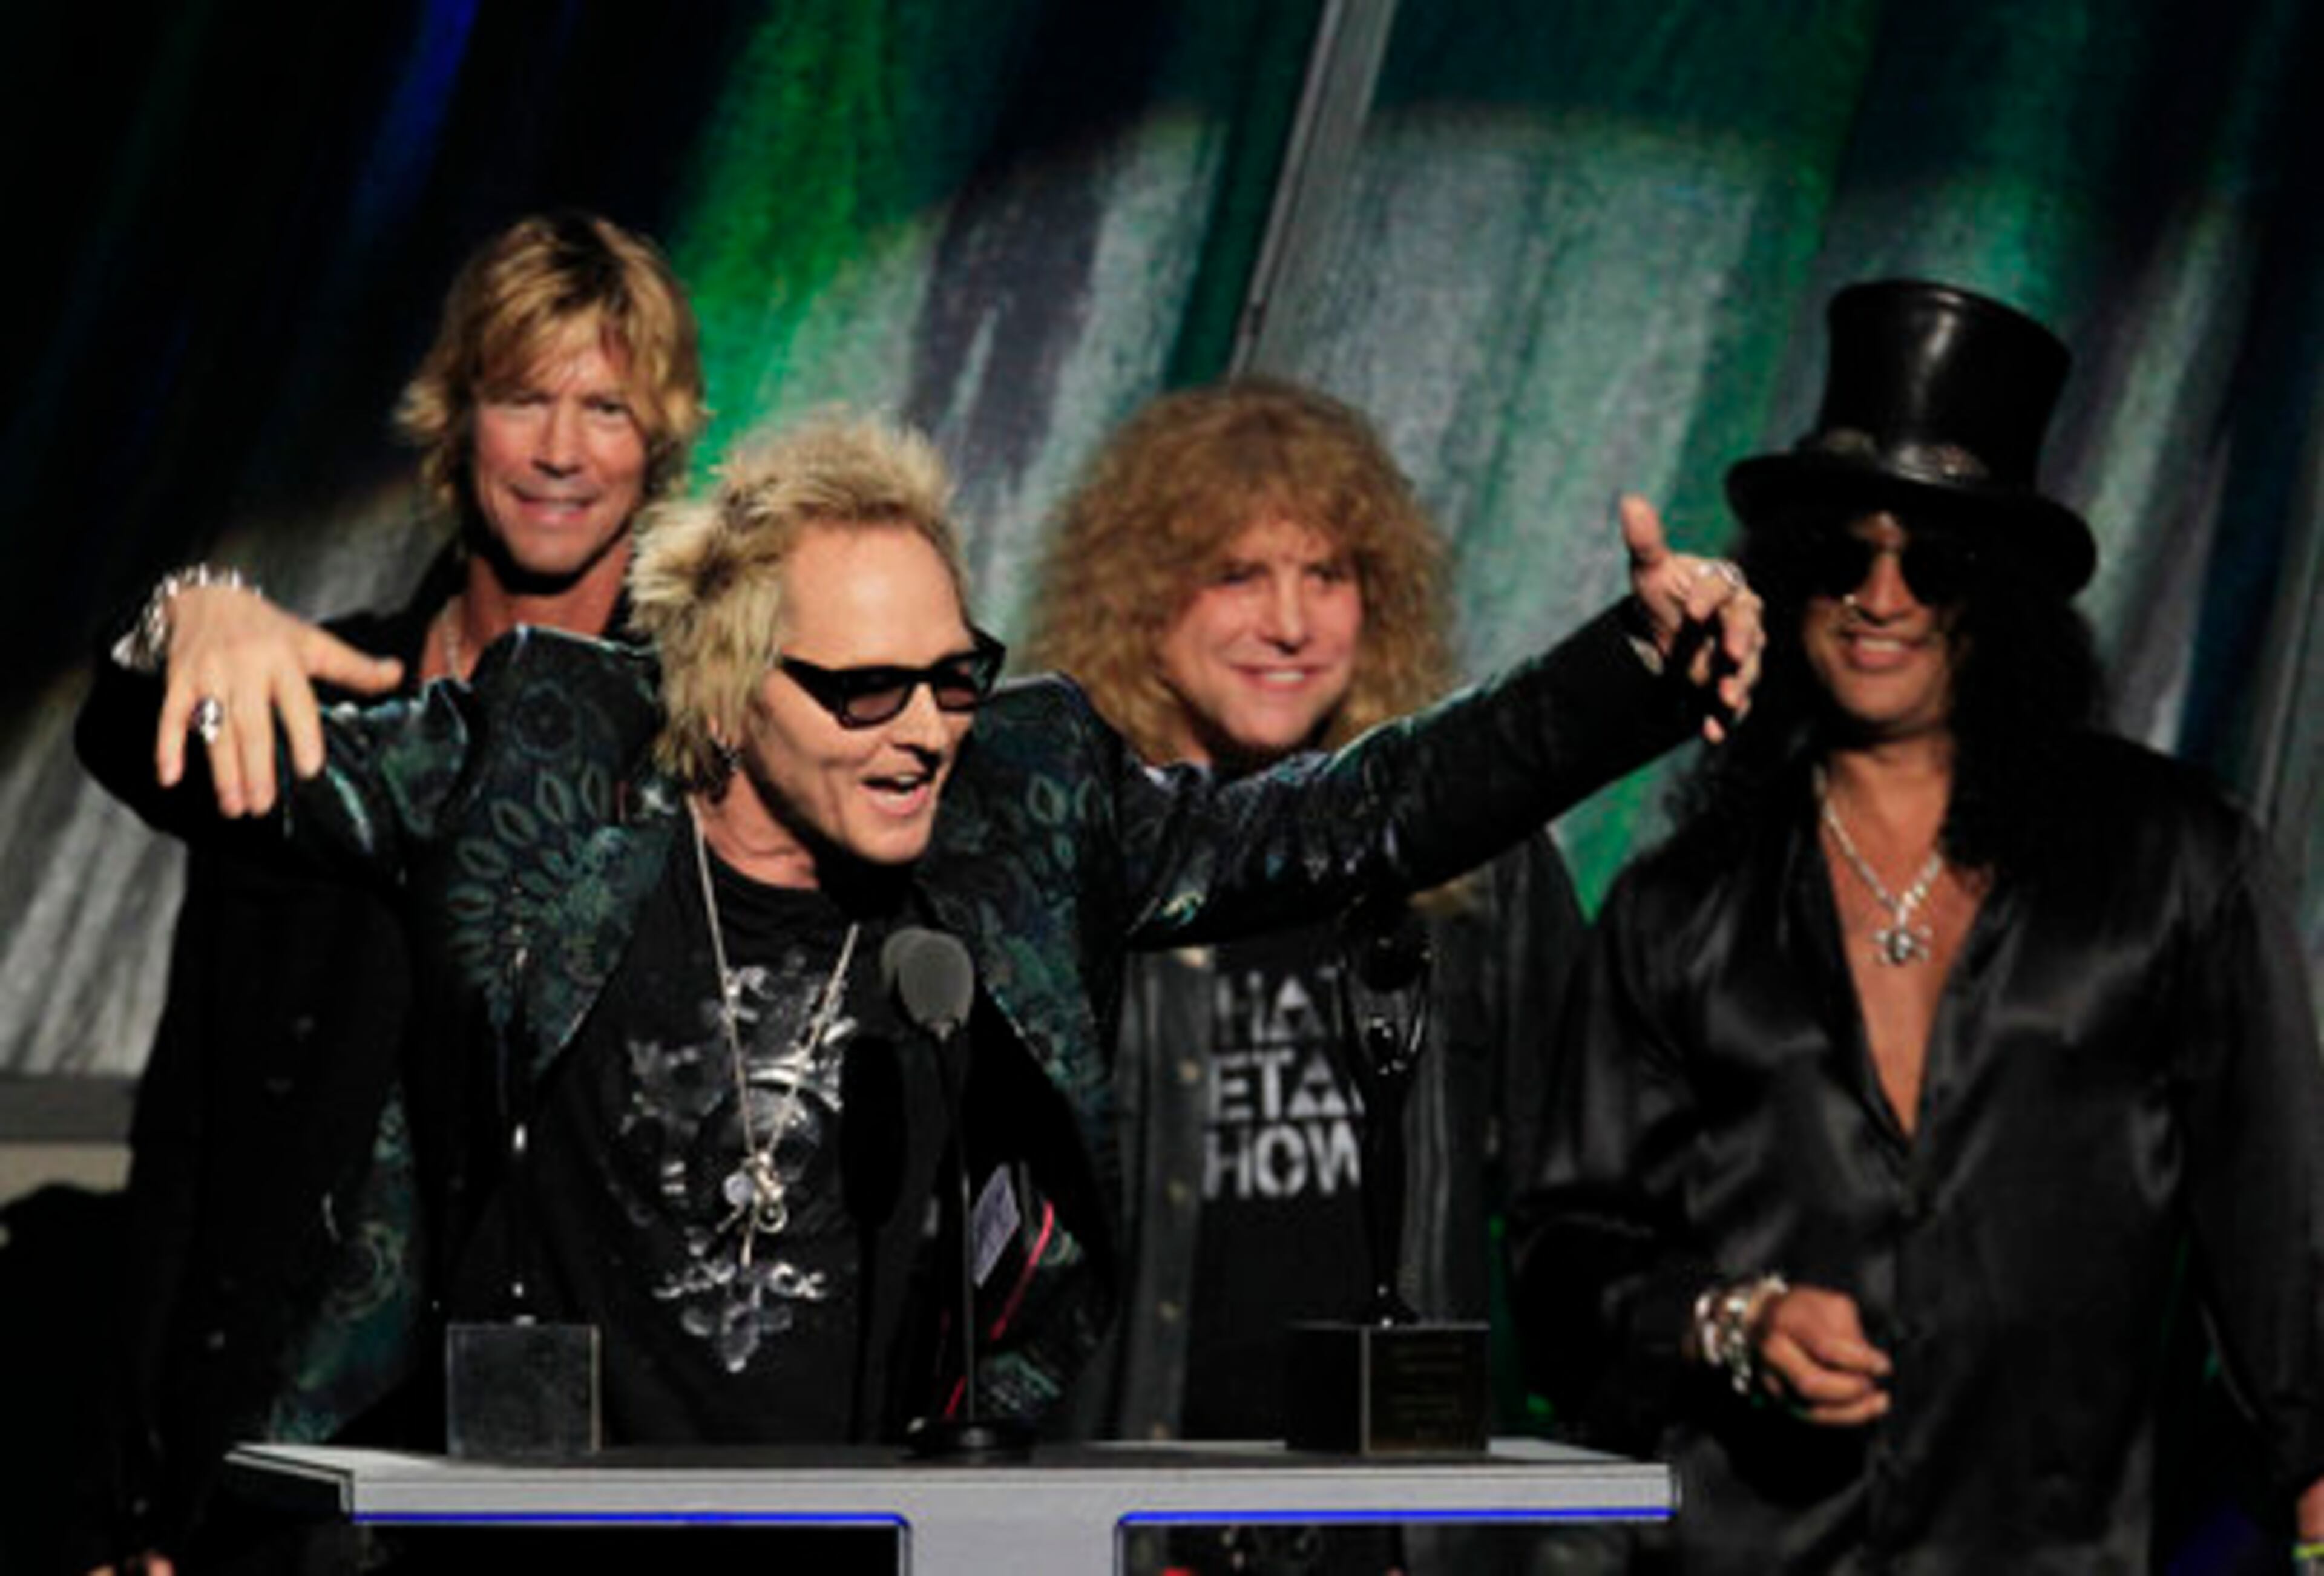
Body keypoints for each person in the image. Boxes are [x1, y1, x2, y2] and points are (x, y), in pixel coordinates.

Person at [77, 409, 1759, 1472]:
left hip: (879, 1527)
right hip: (532, 1525)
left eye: (953, 676)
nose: (923, 731)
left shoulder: (1024, 809)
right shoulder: (541, 761)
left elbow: (1354, 814)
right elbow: (192, 762)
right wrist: (178, 630)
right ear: (730, 689)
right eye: (863, 689)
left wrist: (1629, 672)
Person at [1510, 279, 2324, 1572]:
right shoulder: (1681, 907)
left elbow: (2279, 1218)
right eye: (1843, 555)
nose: (1880, 597)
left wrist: (2310, 1459)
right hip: (1745, 1551)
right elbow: (1558, 1264)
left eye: (1930, 562)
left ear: (1993, 597)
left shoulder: (2175, 860)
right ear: (1789, 580)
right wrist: (1731, 1322)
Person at [73, 211, 705, 1576]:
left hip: (555, 1475)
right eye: (521, 395)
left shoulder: (686, 749)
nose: (558, 449)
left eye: (605, 406)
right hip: (264, 1465)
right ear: (456, 417)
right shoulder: (315, 710)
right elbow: (121, 737)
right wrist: (184, 612)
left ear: (659, 440)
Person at [1025, 378, 1587, 1568]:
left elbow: (1582, 1219)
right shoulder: (1068, 877)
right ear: (1136, 600)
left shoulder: (1484, 878)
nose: (1290, 624)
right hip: (1138, 1523)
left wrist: (1585, 1542)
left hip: (1403, 1539)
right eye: (1236, 575)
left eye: (1327, 575)